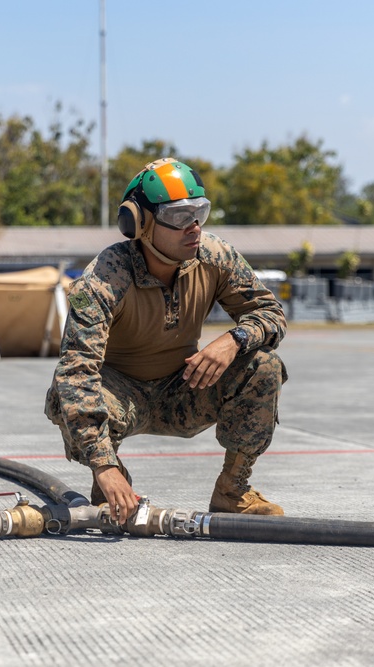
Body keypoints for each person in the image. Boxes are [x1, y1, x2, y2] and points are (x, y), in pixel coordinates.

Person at [44, 157, 287, 524]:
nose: (193, 226)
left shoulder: (215, 257)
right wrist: (103, 464)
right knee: (66, 396)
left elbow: (271, 314)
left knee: (264, 365)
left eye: (199, 212)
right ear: (139, 223)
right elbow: (76, 372)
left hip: (184, 389)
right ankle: (109, 481)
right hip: (119, 397)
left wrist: (234, 339)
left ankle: (232, 490)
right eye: (177, 216)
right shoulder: (104, 279)